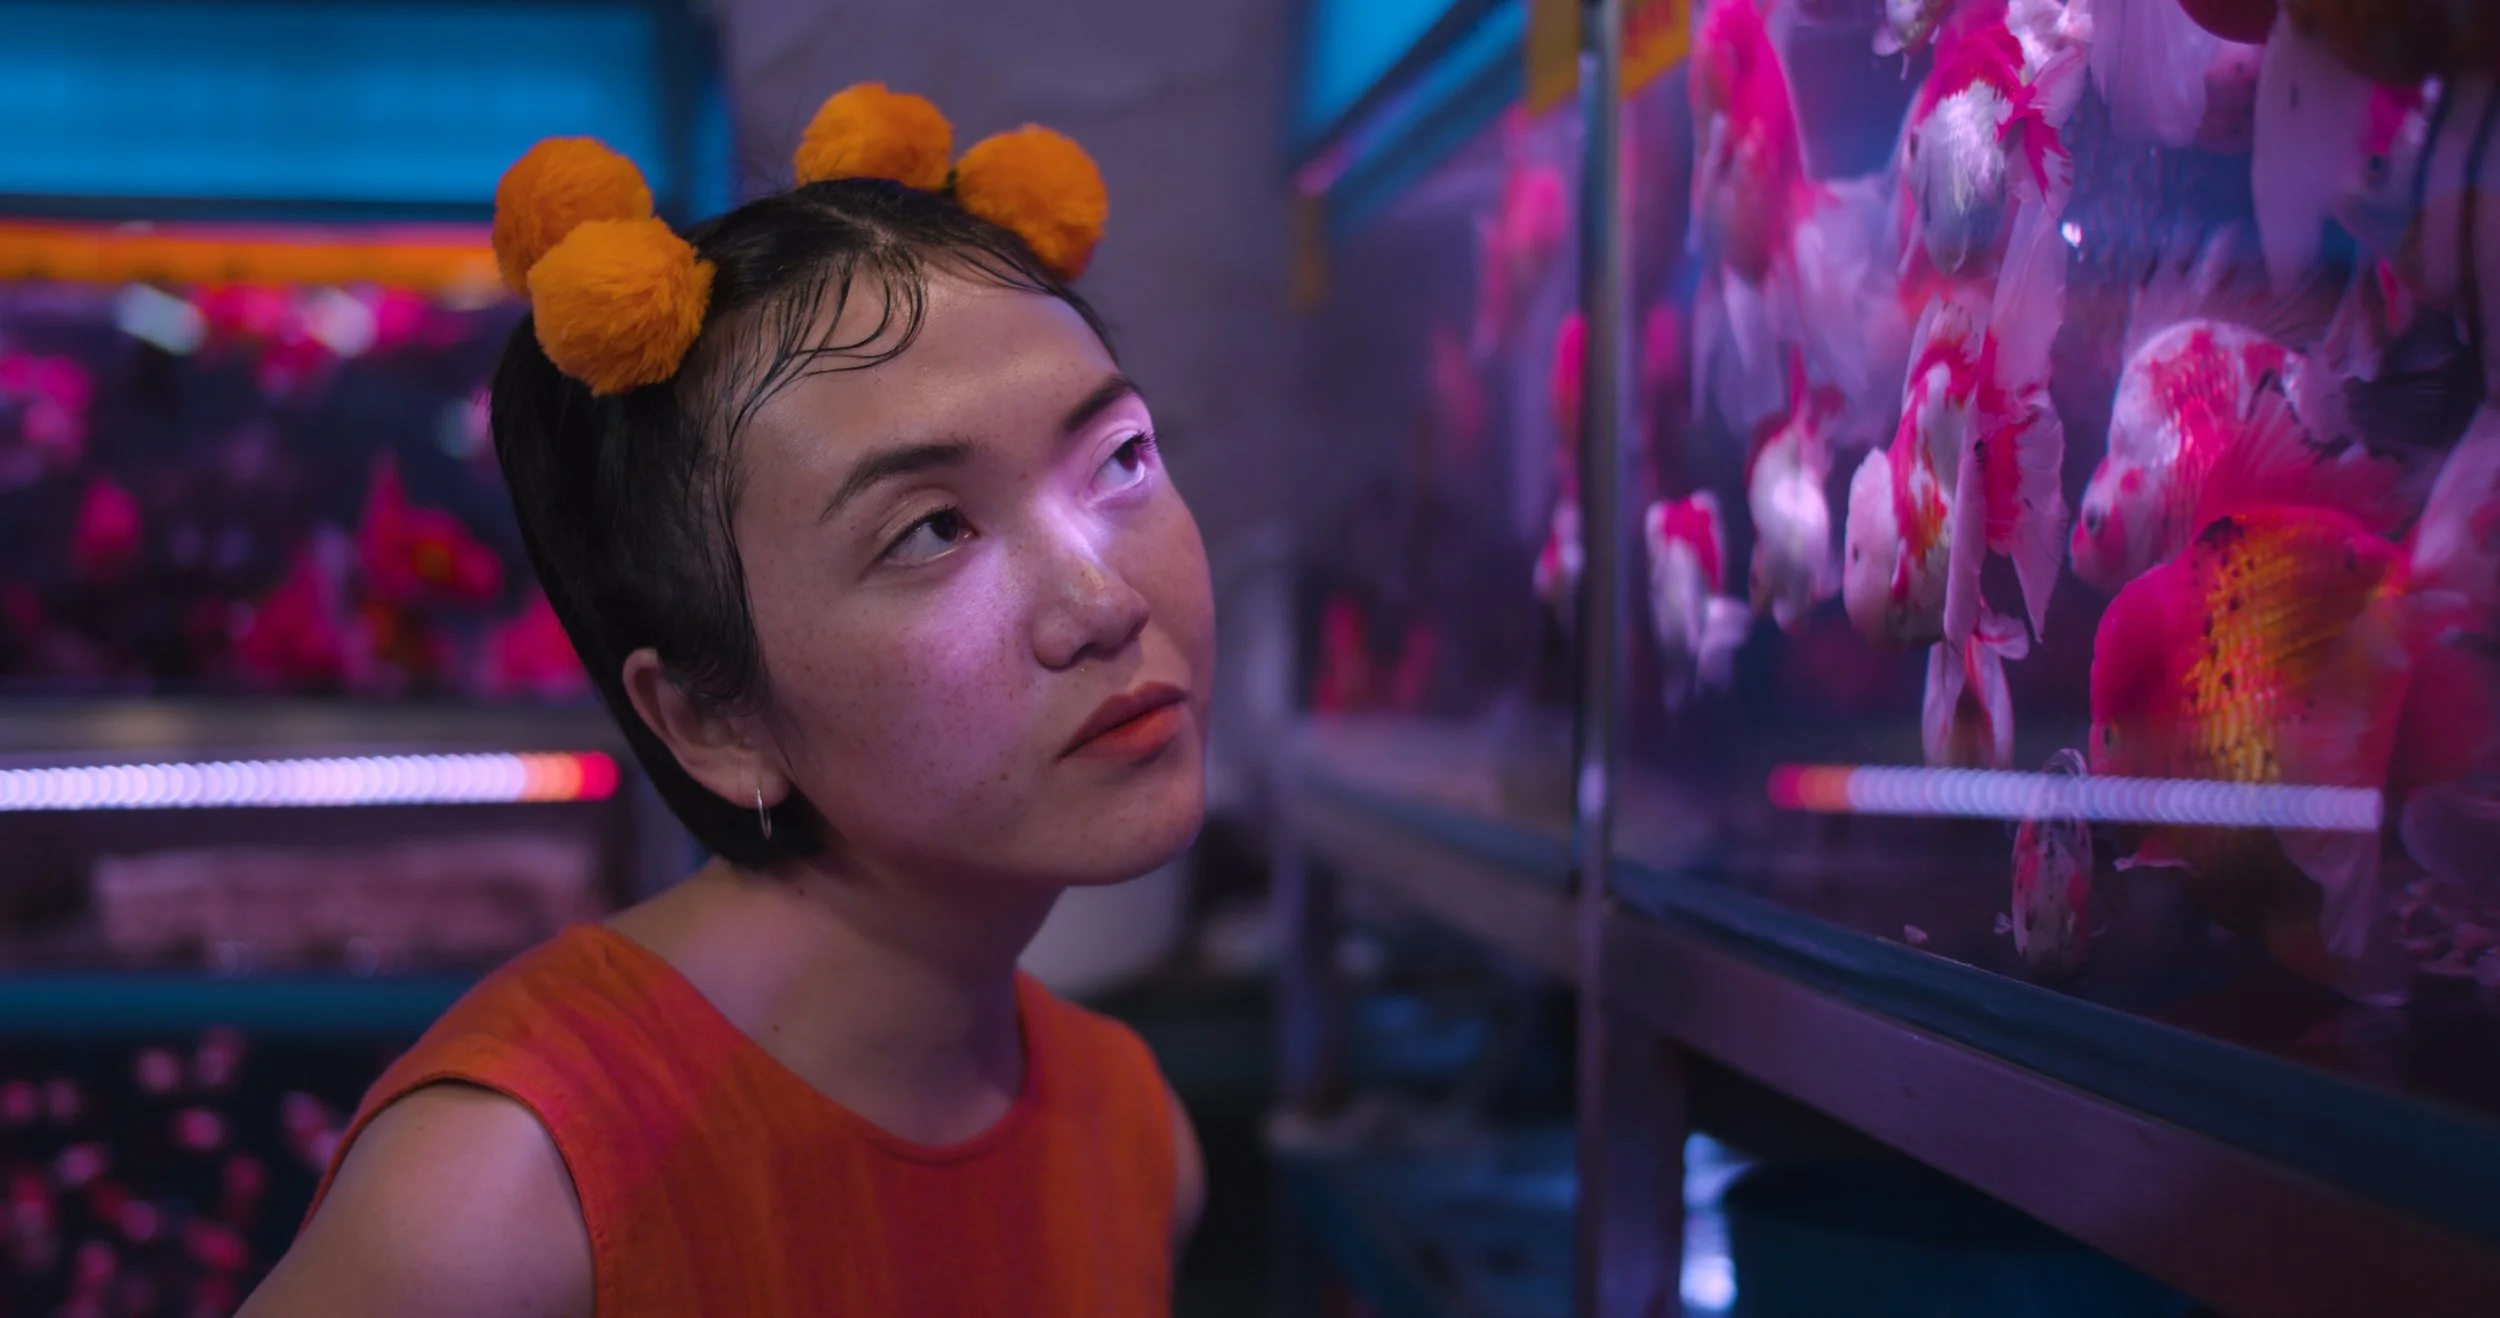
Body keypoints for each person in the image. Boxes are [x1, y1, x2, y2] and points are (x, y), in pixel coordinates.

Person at [239, 83, 1209, 1317]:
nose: (1102, 599)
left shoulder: (1127, 1126)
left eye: (1120, 457)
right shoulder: (504, 1197)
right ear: (710, 716)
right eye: (930, 529)